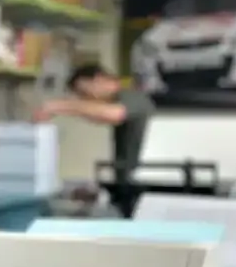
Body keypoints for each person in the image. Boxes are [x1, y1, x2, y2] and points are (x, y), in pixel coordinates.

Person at [34, 64, 155, 217]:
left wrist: (59, 106)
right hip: (127, 184)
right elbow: (98, 116)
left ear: (98, 79)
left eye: (84, 93)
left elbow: (115, 114)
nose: (86, 99)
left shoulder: (131, 95)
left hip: (148, 186)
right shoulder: (120, 100)